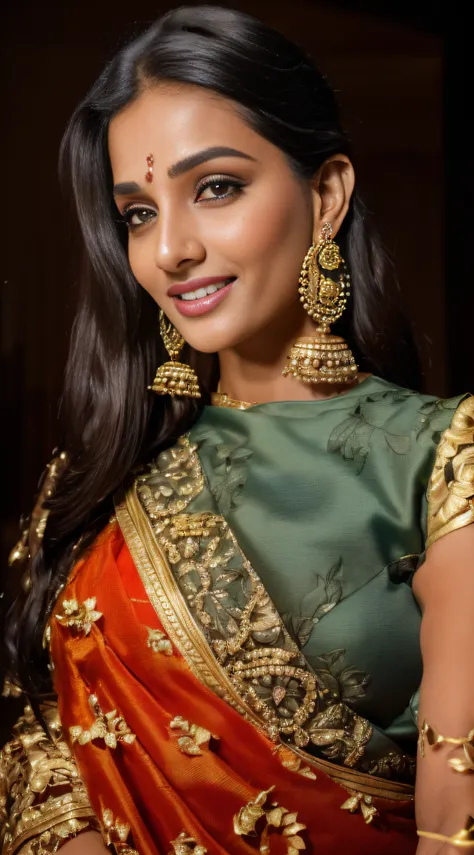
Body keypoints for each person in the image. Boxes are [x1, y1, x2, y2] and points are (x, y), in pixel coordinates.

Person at [1, 6, 473, 854]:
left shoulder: (444, 460)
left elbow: (456, 818)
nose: (172, 248)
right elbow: (38, 732)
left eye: (215, 187)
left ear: (325, 195)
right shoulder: (98, 475)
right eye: (139, 212)